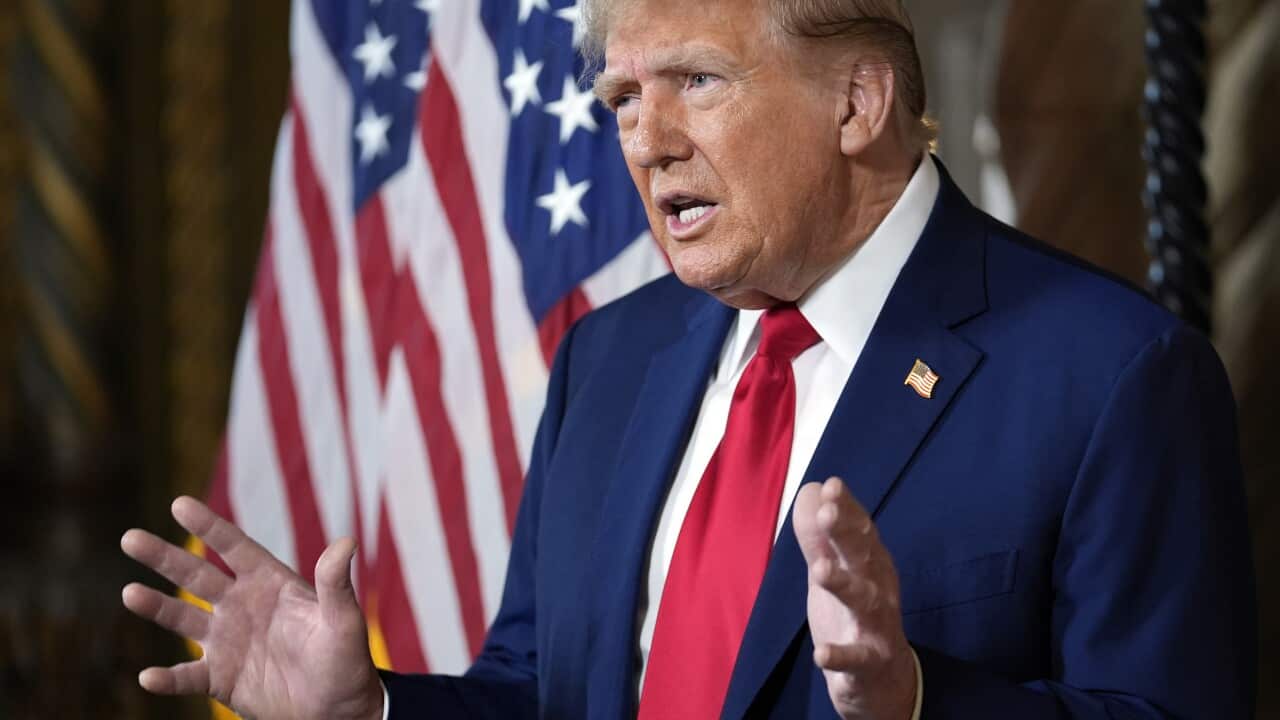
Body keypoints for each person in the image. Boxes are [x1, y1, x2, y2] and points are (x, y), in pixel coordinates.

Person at [120, 0, 1257, 718]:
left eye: (694, 82)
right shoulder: (607, 360)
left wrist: (915, 700)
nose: (644, 138)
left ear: (856, 99)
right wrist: (369, 709)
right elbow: (543, 692)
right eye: (620, 95)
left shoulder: (1111, 375)